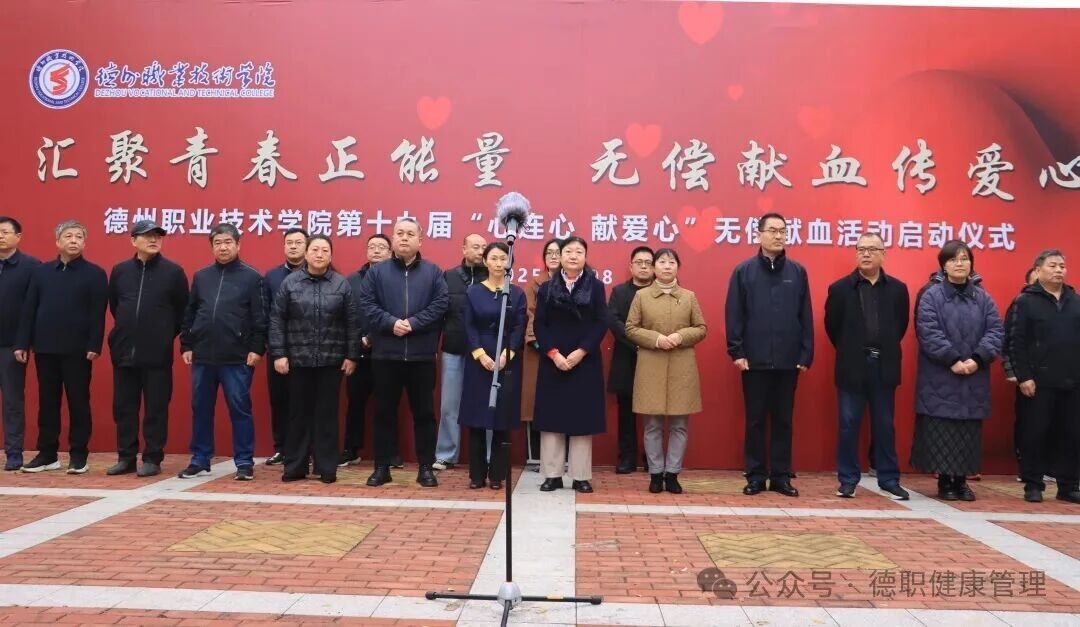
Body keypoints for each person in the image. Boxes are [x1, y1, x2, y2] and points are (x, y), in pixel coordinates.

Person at [725, 213, 813, 497]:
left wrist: (806, 353)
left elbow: (805, 315)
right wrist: (736, 350)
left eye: (782, 231)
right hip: (754, 360)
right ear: (758, 234)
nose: (778, 236)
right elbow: (734, 313)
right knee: (755, 420)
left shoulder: (797, 272)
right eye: (772, 230)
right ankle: (755, 475)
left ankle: (780, 477)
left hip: (788, 360)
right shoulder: (744, 271)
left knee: (784, 420)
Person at [357, 218, 448, 488]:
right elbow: (367, 304)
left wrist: (414, 323)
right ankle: (382, 467)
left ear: (420, 240)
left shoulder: (433, 272)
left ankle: (425, 468)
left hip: (421, 356)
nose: (404, 238)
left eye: (410, 234)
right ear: (393, 239)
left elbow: (440, 304)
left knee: (424, 414)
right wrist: (391, 323)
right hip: (386, 355)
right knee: (384, 412)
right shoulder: (377, 273)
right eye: (399, 233)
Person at [911, 240, 1004, 501]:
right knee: (943, 430)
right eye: (953, 259)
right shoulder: (931, 295)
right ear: (944, 265)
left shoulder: (983, 297)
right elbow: (928, 331)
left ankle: (961, 482)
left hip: (974, 374)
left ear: (971, 264)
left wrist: (977, 359)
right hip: (941, 374)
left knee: (967, 431)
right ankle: (945, 482)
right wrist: (952, 359)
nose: (959, 263)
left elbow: (996, 331)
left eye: (964, 258)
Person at [15, 220, 108, 474]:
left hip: (78, 350)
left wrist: (94, 344)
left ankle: (78, 455)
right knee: (47, 403)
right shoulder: (41, 272)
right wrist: (22, 342)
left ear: (84, 243)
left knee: (78, 402)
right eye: (68, 236)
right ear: (58, 242)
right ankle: (47, 454)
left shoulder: (95, 273)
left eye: (79, 236)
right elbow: (29, 309)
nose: (74, 240)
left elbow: (98, 313)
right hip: (45, 348)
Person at [824, 233, 911, 500]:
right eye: (861, 249)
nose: (866, 254)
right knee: (848, 423)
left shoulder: (897, 289)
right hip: (852, 365)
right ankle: (848, 479)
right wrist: (851, 348)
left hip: (884, 365)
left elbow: (900, 326)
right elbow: (833, 327)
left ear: (883, 254)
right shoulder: (840, 289)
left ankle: (889, 479)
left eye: (872, 249)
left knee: (884, 425)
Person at [178, 223, 267, 481]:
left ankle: (244, 462)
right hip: (203, 355)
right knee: (201, 409)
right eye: (218, 243)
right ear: (212, 247)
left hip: (237, 357)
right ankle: (200, 458)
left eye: (228, 242)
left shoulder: (252, 277)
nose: (223, 247)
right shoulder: (202, 276)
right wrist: (187, 344)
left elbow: (260, 317)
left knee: (240, 409)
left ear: (238, 244)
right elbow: (190, 312)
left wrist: (257, 348)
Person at [270, 236, 361, 484]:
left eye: (324, 250)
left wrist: (352, 355)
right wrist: (279, 354)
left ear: (331, 255)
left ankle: (326, 467)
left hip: (331, 361)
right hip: (298, 361)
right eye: (315, 250)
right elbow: (277, 320)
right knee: (297, 414)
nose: (319, 254)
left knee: (327, 415)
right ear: (306, 253)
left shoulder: (341, 284)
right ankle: (295, 466)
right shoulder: (290, 283)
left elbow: (352, 323)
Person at [105, 220, 189, 478]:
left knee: (156, 408)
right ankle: (126, 457)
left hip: (157, 354)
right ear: (133, 241)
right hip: (124, 352)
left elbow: (182, 312)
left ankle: (152, 458)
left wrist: (162, 335)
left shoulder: (173, 272)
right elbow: (116, 305)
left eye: (158, 236)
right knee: (124, 408)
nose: (154, 240)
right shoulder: (120, 271)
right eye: (147, 236)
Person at [625, 248, 706, 494]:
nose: (667, 266)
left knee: (679, 424)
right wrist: (657, 339)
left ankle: (672, 474)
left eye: (672, 262)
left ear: (678, 267)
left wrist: (681, 336)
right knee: (652, 425)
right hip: (651, 364)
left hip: (682, 367)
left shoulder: (689, 296)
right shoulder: (641, 296)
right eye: (662, 262)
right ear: (653, 268)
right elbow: (630, 328)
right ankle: (655, 473)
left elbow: (701, 328)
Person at [533, 236, 609, 493]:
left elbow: (601, 322)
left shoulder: (596, 287)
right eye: (568, 251)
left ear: (585, 257)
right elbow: (539, 324)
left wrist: (582, 351)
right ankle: (552, 475)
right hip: (553, 360)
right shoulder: (546, 288)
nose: (573, 256)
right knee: (551, 417)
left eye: (579, 252)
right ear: (560, 256)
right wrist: (554, 353)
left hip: (585, 360)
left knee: (581, 418)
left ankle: (580, 476)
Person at [1008, 249, 1080, 504]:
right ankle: (1033, 484)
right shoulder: (1025, 301)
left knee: (1071, 434)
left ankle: (1068, 485)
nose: (1059, 270)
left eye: (1062, 266)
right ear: (1038, 270)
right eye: (1052, 265)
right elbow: (1015, 341)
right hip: (1037, 381)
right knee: (1035, 433)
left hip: (1072, 380)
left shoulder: (1075, 300)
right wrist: (1024, 376)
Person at [459, 242, 526, 489]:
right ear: (486, 262)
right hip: (479, 359)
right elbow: (469, 325)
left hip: (507, 359)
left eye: (503, 259)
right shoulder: (474, 292)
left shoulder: (516, 293)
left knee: (501, 419)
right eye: (494, 258)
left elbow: (519, 326)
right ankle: (476, 475)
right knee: (476, 417)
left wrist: (507, 353)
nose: (499, 264)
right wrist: (480, 354)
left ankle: (497, 474)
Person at [339, 233, 395, 467]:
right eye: (372, 246)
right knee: (356, 403)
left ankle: (390, 453)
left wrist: (373, 337)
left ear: (390, 252)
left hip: (388, 351)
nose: (376, 250)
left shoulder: (398, 278)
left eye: (381, 247)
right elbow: (346, 316)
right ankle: (351, 449)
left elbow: (398, 312)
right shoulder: (352, 280)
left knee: (388, 404)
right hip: (358, 353)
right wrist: (356, 343)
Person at [434, 233, 488, 471]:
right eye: (475, 246)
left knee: (487, 404)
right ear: (464, 249)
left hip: (485, 352)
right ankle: (446, 454)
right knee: (449, 405)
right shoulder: (449, 276)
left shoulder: (494, 277)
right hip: (454, 348)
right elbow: (439, 314)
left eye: (483, 247)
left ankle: (489, 456)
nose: (480, 251)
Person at [262, 227, 308, 466]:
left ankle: (306, 449)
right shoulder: (272, 277)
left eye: (298, 242)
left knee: (305, 402)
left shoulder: (320, 273)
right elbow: (266, 314)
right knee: (280, 400)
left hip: (308, 350)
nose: (293, 246)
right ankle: (281, 447)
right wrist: (274, 346)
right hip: (279, 349)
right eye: (289, 242)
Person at [608, 246, 654, 474]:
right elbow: (614, 321)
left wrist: (651, 344)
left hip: (656, 357)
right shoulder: (619, 292)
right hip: (626, 357)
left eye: (648, 263)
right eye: (639, 262)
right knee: (626, 411)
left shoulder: (661, 291)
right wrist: (637, 344)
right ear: (631, 266)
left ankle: (652, 458)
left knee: (654, 412)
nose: (644, 266)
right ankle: (627, 457)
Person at [0, 217, 39, 471]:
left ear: (18, 237)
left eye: (5, 232)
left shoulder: (31, 267)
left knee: (13, 402)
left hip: (11, 345)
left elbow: (32, 308)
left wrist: (23, 343)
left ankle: (14, 453)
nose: (0, 236)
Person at [521, 238, 561, 465]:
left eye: (558, 252)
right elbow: (530, 315)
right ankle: (535, 458)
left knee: (562, 403)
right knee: (536, 403)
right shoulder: (535, 285)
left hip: (568, 354)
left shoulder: (578, 283)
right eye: (549, 253)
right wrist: (543, 345)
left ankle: (563, 457)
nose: (554, 256)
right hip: (538, 351)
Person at [1002, 266, 1040, 481]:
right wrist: (1012, 369)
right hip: (1027, 373)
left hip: (1060, 375)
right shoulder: (1021, 303)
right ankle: (1028, 468)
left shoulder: (1066, 302)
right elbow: (1009, 339)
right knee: (1029, 422)